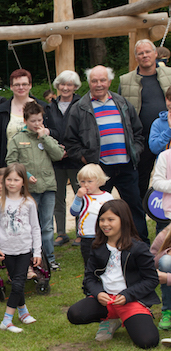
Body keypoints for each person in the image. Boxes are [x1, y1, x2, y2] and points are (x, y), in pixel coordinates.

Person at [64, 65, 148, 242]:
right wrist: (85, 159)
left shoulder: (123, 103)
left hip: (126, 166)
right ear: (89, 83)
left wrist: (136, 151)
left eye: (102, 80)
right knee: (96, 210)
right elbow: (70, 141)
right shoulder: (79, 108)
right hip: (99, 170)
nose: (99, 84)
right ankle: (97, 246)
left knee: (134, 208)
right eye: (94, 81)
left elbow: (138, 132)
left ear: (109, 81)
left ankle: (141, 245)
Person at [66, 200, 160, 348]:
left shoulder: (138, 248)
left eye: (111, 219)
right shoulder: (97, 246)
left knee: (148, 341)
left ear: (123, 221)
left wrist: (128, 295)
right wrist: (98, 293)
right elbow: (89, 278)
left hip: (131, 300)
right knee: (75, 314)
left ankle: (129, 318)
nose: (105, 224)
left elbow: (151, 279)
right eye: (102, 219)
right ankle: (109, 319)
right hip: (106, 300)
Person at [5, 102, 64, 270]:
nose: (37, 124)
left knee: (47, 224)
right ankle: (31, 258)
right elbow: (11, 161)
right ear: (25, 121)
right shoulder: (18, 139)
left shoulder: (45, 137)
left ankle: (50, 258)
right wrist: (26, 176)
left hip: (48, 186)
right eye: (33, 121)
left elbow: (59, 154)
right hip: (30, 190)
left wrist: (44, 137)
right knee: (30, 224)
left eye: (39, 120)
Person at [0, 163, 41, 333]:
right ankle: (23, 312)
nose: (11, 183)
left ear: (23, 182)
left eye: (16, 180)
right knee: (16, 282)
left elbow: (35, 227)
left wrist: (37, 251)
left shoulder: (29, 203)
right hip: (6, 250)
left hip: (24, 249)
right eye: (8, 180)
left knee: (19, 283)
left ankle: (7, 320)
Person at [118, 39, 171, 198]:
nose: (145, 55)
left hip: (168, 135)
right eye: (140, 53)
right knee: (140, 179)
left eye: (148, 52)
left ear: (155, 54)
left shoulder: (169, 74)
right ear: (136, 57)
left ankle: (164, 219)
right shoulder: (126, 81)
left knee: (168, 176)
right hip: (141, 137)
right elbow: (121, 109)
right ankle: (139, 216)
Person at [44, 70, 83, 247]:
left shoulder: (82, 103)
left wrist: (72, 150)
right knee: (57, 197)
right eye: (62, 84)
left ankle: (81, 232)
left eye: (69, 84)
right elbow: (48, 129)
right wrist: (56, 149)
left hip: (76, 158)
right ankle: (61, 232)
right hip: (56, 159)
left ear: (75, 87)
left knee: (80, 195)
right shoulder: (50, 107)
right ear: (57, 86)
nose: (65, 88)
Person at [0, 69, 47, 172]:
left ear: (30, 85)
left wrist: (47, 132)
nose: (21, 87)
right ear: (11, 87)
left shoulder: (44, 107)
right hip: (10, 166)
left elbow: (55, 134)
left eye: (24, 84)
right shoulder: (1, 110)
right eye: (17, 85)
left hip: (39, 166)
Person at [69, 164, 113, 266]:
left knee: (105, 261)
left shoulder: (107, 196)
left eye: (90, 181)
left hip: (104, 235)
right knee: (89, 263)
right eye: (82, 181)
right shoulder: (82, 197)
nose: (86, 185)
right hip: (87, 237)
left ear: (99, 181)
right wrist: (78, 197)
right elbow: (74, 212)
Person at [150, 227, 171, 330]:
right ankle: (168, 311)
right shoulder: (164, 234)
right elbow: (151, 262)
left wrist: (168, 278)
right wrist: (167, 252)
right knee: (166, 261)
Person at [147, 85, 171, 155]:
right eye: (170, 100)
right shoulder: (158, 123)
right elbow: (154, 148)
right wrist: (169, 130)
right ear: (166, 99)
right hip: (165, 164)